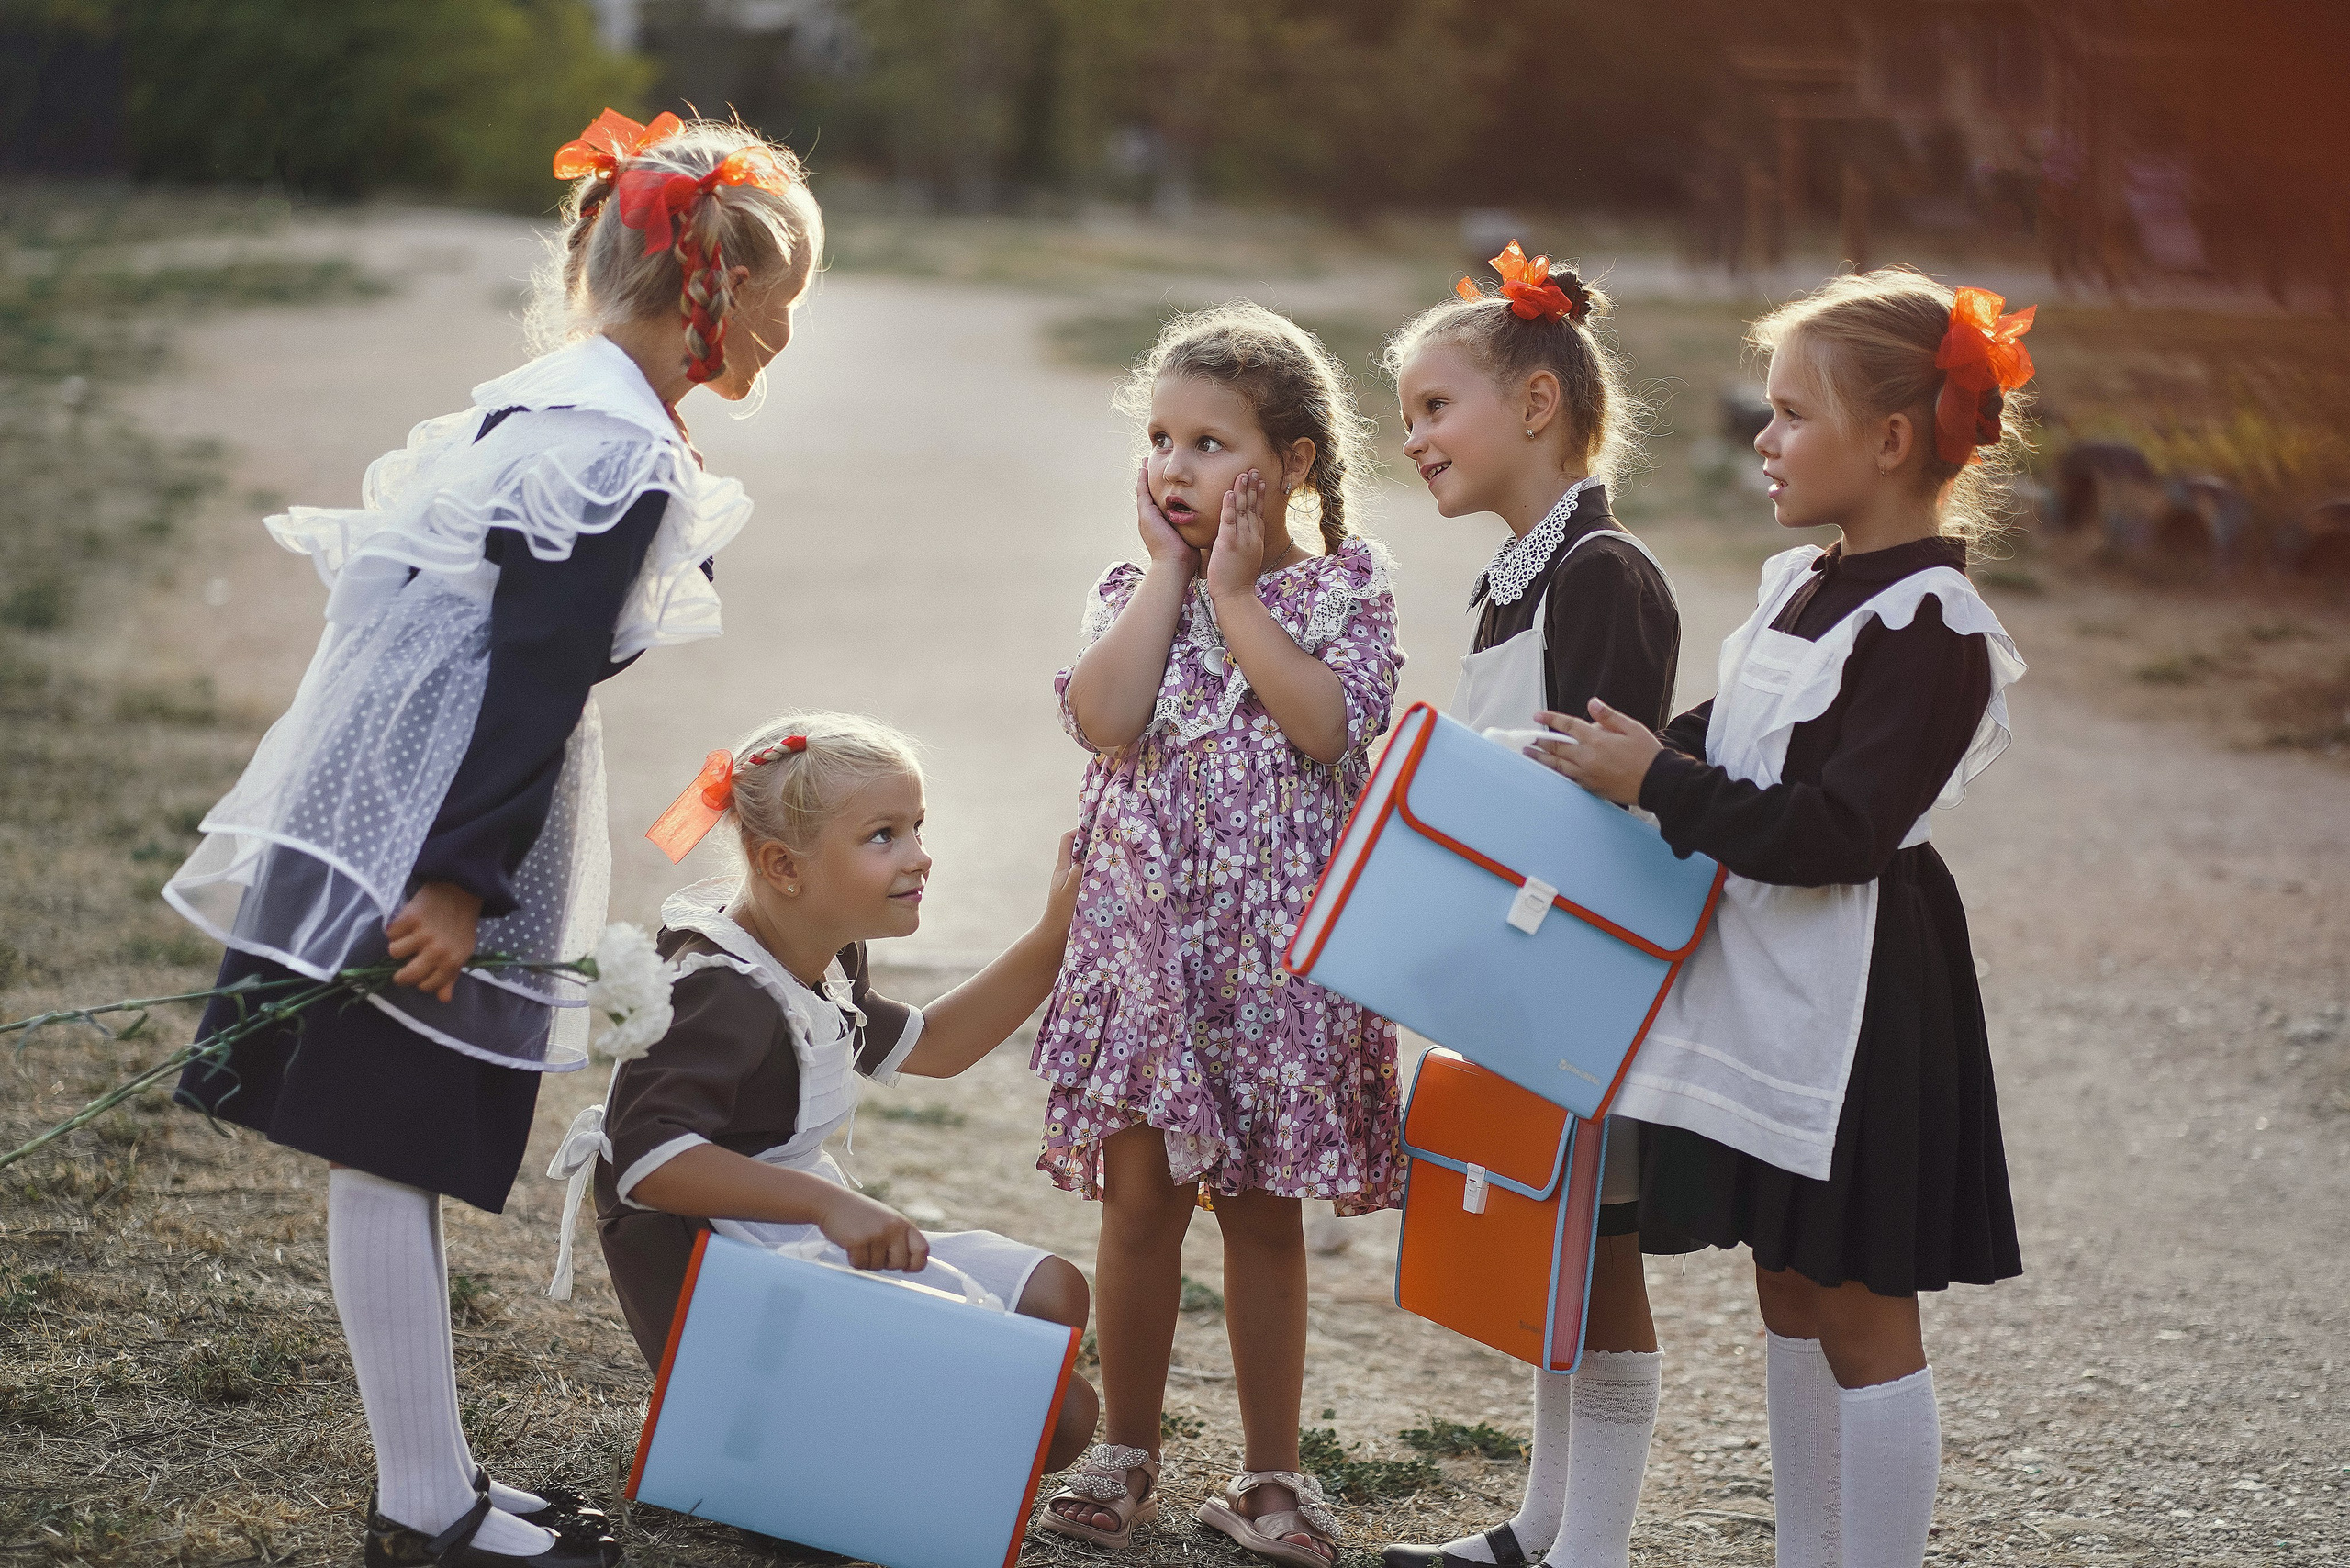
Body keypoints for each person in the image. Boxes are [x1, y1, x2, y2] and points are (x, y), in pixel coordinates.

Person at [163, 110, 823, 1568]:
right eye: (777, 311)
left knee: (389, 1138)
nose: (782, 340)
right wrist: (457, 884)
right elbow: (527, 676)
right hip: (435, 827)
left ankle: (440, 1469)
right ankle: (425, 1504)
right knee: (388, 1141)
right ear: (708, 298)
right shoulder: (607, 454)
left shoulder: (550, 414)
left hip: (403, 792)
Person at [1534, 269, 2033, 1568]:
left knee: (1866, 1306)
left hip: (1864, 995)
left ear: (1890, 441)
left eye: (1792, 414)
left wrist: (1662, 781)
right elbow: (1725, 744)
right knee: (1792, 1282)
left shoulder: (1933, 627)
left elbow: (1840, 832)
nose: (1763, 436)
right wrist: (1619, 758)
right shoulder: (1801, 586)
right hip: (1771, 981)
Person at [1034, 305, 1406, 1565]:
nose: (1174, 467)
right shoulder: (1129, 589)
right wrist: (1165, 579)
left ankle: (1267, 1474)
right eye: (1160, 439)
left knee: (1258, 1212)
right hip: (1152, 961)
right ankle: (1124, 1446)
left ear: (1294, 463)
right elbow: (1103, 718)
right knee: (1140, 1202)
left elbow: (1324, 728)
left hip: (1277, 971)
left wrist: (1237, 592)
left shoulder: (1345, 592)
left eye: (1209, 441)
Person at [1377, 241, 1684, 1568]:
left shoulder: (1603, 574)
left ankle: (1593, 1550)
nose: (1415, 441)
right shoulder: (1517, 574)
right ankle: (1545, 1526)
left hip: (1583, 973)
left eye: (1435, 409)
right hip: (1518, 958)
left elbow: (1603, 803)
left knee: (1601, 1257)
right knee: (1549, 1252)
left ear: (1540, 406)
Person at [571, 713, 1100, 1471]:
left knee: (1055, 1294)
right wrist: (833, 1203)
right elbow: (646, 1162)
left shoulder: (822, 954)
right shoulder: (719, 988)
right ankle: (787, 1465)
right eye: (883, 835)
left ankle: (873, 1444)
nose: (920, 856)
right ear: (785, 866)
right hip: (735, 1288)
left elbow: (938, 1047)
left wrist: (1055, 932)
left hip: (788, 1245)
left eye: (917, 826)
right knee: (1062, 1417)